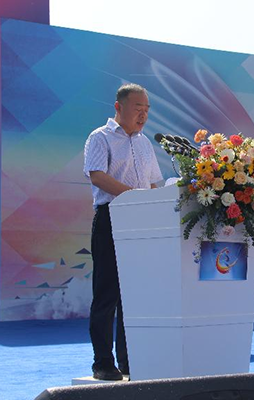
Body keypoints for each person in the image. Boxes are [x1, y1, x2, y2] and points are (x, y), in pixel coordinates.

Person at [83, 83, 163, 380]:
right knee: (107, 294)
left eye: (147, 110)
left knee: (135, 296)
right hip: (112, 218)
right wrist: (133, 196)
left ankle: (130, 361)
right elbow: (97, 175)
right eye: (137, 108)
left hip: (142, 221)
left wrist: (153, 205)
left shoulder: (144, 143)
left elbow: (153, 183)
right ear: (118, 107)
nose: (143, 115)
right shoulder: (100, 137)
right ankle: (103, 362)